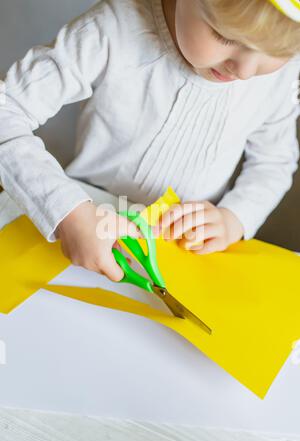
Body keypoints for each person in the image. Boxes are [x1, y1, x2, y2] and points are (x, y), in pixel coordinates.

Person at [0, 0, 299, 281]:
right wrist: (67, 211)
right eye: (224, 35)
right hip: (88, 222)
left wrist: (234, 218)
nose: (245, 71)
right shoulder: (114, 29)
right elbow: (6, 110)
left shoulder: (281, 77)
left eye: (275, 51)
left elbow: (274, 161)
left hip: (188, 251)